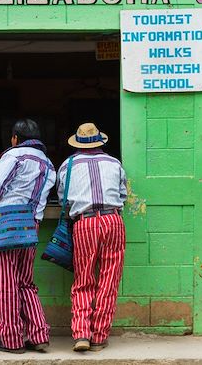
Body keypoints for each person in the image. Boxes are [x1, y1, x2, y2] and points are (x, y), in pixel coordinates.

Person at [0, 119, 55, 354]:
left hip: (5, 223)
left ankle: (12, 339)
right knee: (25, 283)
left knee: (4, 283)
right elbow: (42, 200)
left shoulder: (14, 156)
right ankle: (39, 335)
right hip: (31, 225)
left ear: (15, 137)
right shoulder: (48, 164)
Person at [58, 123, 127, 352]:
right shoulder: (114, 163)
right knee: (109, 280)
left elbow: (63, 202)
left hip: (84, 222)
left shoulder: (67, 165)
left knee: (83, 279)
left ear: (77, 143)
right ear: (100, 141)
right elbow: (122, 195)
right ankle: (99, 336)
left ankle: (81, 334)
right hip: (113, 221)